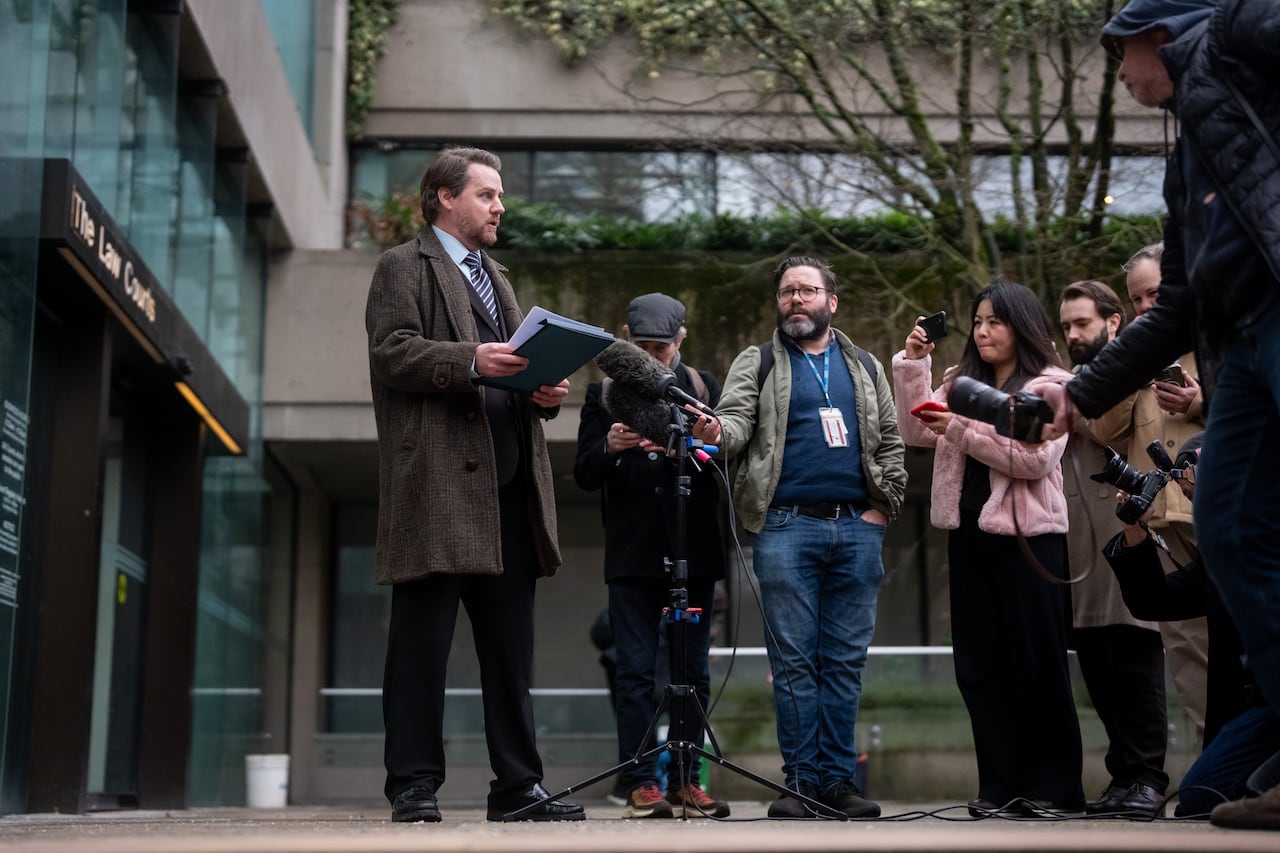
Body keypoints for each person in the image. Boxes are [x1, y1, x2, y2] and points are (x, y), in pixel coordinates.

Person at [1038, 0, 1280, 830]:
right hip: (1236, 340)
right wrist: (1077, 395)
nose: (1121, 76)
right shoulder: (1185, 161)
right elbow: (1173, 306)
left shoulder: (1240, 34)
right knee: (1232, 525)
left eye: (1120, 57)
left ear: (1157, 38)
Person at [365, 146, 584, 823]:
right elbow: (391, 351)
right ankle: (414, 785)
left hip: (510, 490)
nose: (500, 206)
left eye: (498, 196)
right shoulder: (402, 266)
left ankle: (518, 787)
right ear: (443, 197)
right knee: (420, 650)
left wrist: (542, 391)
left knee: (510, 655)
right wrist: (472, 361)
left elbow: (510, 369)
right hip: (437, 491)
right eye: (487, 195)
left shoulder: (498, 275)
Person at [694, 256, 907, 819]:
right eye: (787, 291)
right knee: (793, 664)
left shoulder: (862, 364)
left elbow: (890, 440)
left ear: (831, 302)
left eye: (807, 290)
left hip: (858, 528)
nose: (795, 299)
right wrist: (717, 431)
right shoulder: (759, 360)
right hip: (786, 526)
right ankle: (802, 782)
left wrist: (883, 509)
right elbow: (735, 420)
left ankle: (838, 781)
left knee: (844, 662)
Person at [895, 279, 1084, 818]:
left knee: (1036, 664)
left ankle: (1054, 791)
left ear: (1021, 326)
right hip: (970, 538)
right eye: (977, 322)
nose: (982, 332)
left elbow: (1032, 461)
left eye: (994, 321)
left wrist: (959, 426)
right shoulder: (961, 381)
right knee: (980, 666)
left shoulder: (1053, 385)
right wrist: (914, 367)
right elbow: (918, 434)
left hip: (1032, 543)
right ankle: (998, 788)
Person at [573, 292, 730, 819]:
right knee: (635, 670)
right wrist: (611, 447)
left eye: (661, 348)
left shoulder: (702, 387)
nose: (652, 356)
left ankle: (689, 778)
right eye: (641, 346)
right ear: (624, 337)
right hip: (633, 551)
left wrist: (706, 441)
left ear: (680, 341)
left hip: (694, 547)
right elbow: (583, 472)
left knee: (694, 671)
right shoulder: (604, 393)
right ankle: (641, 779)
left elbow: (729, 465)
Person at [1102, 434, 1280, 818]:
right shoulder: (1224, 554)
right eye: (1189, 489)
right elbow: (1154, 601)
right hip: (1263, 709)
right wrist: (1136, 529)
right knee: (1200, 798)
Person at [1089, 244, 1210, 743]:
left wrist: (1201, 399)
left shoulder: (1221, 341)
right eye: (1136, 299)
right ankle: (1214, 769)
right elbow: (1102, 430)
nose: (1145, 308)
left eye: (1155, 294)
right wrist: (1131, 370)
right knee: (1186, 654)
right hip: (1160, 521)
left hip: (1222, 517)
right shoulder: (1133, 355)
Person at [1058, 280, 1169, 817]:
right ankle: (1124, 776)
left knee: (1134, 657)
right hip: (1080, 540)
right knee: (1100, 667)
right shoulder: (1080, 378)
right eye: (1067, 327)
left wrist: (1081, 394)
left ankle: (1149, 776)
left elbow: (1101, 422)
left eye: (1083, 324)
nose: (1074, 335)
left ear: (1114, 322)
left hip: (1132, 531)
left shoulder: (1135, 371)